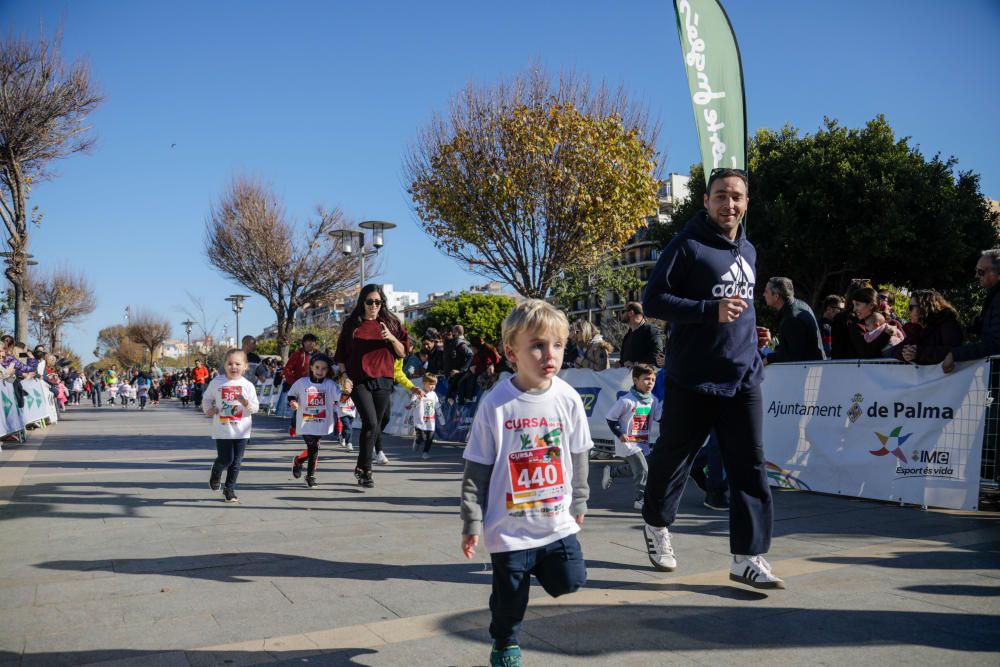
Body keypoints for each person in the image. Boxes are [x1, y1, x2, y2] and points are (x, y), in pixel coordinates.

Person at [640, 167, 784, 589]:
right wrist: (708, 311)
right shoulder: (687, 246)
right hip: (693, 378)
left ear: (746, 203)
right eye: (721, 195)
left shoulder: (750, 250)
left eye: (737, 196)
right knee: (672, 461)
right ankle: (656, 525)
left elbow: (740, 304)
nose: (729, 203)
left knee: (750, 468)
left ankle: (748, 557)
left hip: (743, 377)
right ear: (706, 201)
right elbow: (653, 300)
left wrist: (750, 334)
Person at [460, 299, 590, 667]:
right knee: (510, 603)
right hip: (509, 530)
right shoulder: (496, 403)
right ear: (511, 352)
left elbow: (579, 453)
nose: (549, 354)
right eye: (536, 345)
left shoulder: (568, 398)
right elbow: (477, 469)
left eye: (557, 345)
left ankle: (536, 571)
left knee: (571, 580)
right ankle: (504, 644)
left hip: (556, 522)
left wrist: (579, 501)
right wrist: (471, 521)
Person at [333, 284, 410, 488]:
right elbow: (341, 355)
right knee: (370, 423)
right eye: (369, 302)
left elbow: (403, 352)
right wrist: (344, 376)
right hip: (359, 381)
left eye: (377, 302)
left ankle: (360, 465)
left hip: (384, 379)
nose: (374, 305)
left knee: (380, 420)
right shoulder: (352, 324)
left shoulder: (392, 323)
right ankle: (366, 470)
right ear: (362, 303)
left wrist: (391, 338)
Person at [602, 363, 661, 510]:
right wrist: (620, 434)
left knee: (640, 468)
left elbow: (661, 417)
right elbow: (611, 418)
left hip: (642, 443)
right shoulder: (626, 401)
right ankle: (639, 499)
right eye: (646, 379)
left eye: (653, 380)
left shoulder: (653, 400)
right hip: (628, 443)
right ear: (635, 380)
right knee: (643, 470)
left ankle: (612, 472)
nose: (650, 383)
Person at [203, 349, 260, 503]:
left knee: (237, 462)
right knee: (226, 458)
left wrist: (246, 403)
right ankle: (216, 470)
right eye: (230, 363)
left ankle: (229, 489)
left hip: (242, 430)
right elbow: (207, 398)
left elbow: (255, 407)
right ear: (224, 365)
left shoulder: (247, 386)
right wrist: (209, 410)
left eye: (237, 364)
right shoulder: (217, 382)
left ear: (245, 366)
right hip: (223, 429)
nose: (233, 367)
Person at [287, 353, 350, 488]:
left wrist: (348, 392)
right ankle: (310, 476)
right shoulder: (301, 382)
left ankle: (299, 461)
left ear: (328, 370)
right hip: (305, 422)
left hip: (322, 422)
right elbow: (291, 394)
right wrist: (293, 403)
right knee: (314, 447)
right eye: (317, 367)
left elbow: (341, 399)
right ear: (311, 367)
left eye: (324, 369)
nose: (320, 371)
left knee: (314, 448)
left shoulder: (330, 384)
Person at [944, 248, 1000, 373]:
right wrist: (979, 327)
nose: (976, 276)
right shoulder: (993, 296)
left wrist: (956, 354)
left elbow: (996, 344)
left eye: (981, 272)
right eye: (976, 271)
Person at [760, 276, 825, 363]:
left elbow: (792, 355)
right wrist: (769, 345)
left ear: (776, 296)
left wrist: (766, 360)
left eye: (766, 291)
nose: (764, 294)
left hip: (806, 372)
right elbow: (787, 344)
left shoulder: (792, 318)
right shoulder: (799, 305)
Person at [891, 290, 963, 365]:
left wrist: (918, 353)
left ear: (924, 307)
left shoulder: (948, 324)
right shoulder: (916, 327)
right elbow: (895, 350)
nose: (908, 311)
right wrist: (905, 353)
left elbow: (954, 351)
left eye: (911, 307)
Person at [848, 288, 903, 358]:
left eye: (857, 304)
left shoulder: (893, 323)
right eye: (854, 304)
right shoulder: (855, 325)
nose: (854, 309)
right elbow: (866, 352)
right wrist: (886, 334)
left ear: (871, 305)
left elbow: (904, 343)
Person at [282, 334, 318, 437]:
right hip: (300, 386)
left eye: (313, 341)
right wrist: (294, 383)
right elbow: (287, 369)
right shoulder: (297, 354)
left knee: (315, 409)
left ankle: (313, 435)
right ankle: (294, 425)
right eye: (308, 341)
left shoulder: (318, 355)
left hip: (315, 387)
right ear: (303, 342)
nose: (311, 343)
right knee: (298, 409)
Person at [408, 373, 445, 459]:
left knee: (430, 436)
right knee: (420, 436)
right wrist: (418, 399)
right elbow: (412, 405)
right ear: (424, 383)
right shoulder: (418, 392)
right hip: (419, 420)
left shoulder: (434, 394)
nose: (432, 386)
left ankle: (426, 452)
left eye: (434, 384)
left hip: (430, 420)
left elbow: (437, 406)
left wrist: (441, 419)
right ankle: (417, 441)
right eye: (430, 384)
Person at [336, 370, 356, 451]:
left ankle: (343, 437)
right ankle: (349, 443)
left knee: (347, 427)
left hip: (351, 411)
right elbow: (338, 397)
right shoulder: (338, 387)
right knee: (348, 427)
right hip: (342, 411)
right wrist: (345, 392)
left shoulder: (354, 386)